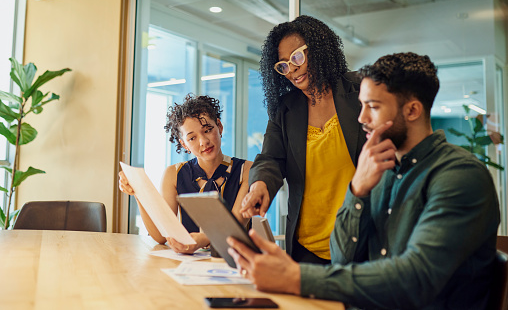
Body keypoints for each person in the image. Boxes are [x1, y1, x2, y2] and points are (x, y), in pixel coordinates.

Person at [228, 52, 500, 309]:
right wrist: (357, 190)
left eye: (373, 107)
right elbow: (342, 258)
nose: (362, 118)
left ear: (413, 110)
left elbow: (416, 278)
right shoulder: (382, 172)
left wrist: (295, 276)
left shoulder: (460, 177)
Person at [240, 15, 367, 264]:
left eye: (297, 57)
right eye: (283, 65)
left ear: (318, 50)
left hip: (362, 242)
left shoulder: (361, 90)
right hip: (307, 249)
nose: (292, 69)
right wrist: (260, 185)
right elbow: (270, 159)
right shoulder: (285, 110)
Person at [120, 94, 252, 253]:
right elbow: (162, 236)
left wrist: (203, 239)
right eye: (192, 138)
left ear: (220, 126)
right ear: (184, 144)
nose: (203, 141)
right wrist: (137, 191)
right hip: (189, 263)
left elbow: (236, 225)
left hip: (237, 261)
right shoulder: (173, 174)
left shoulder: (246, 170)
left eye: (208, 130)